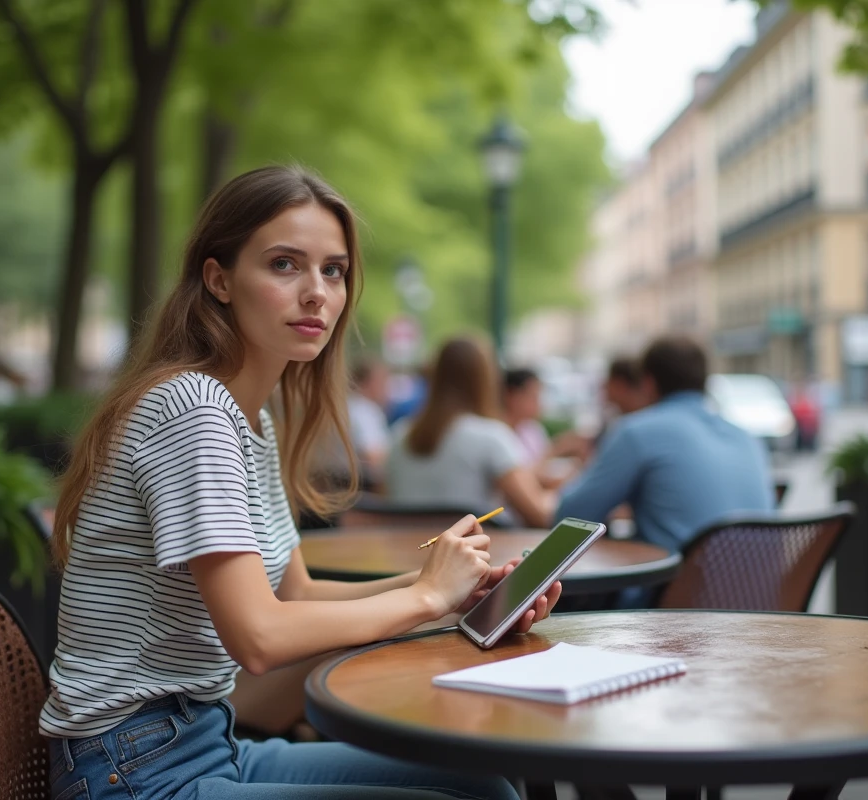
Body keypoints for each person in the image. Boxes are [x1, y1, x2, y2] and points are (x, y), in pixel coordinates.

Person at [43, 166, 556, 800]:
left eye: (333, 270)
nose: (316, 292)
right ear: (219, 279)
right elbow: (260, 638)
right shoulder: (192, 410)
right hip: (132, 769)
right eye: (285, 265)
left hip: (205, 744)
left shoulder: (249, 418)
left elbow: (297, 593)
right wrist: (422, 600)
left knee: (481, 786)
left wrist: (452, 594)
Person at [556, 335, 774, 560]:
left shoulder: (637, 432)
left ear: (648, 383)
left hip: (674, 591)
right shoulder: (748, 439)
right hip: (760, 590)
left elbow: (571, 518)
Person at [386, 337, 555, 528]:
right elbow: (538, 515)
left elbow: (386, 500)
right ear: (486, 380)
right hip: (474, 554)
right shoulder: (491, 436)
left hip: (405, 552)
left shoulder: (399, 434)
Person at [347, 357, 391, 489]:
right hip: (363, 491)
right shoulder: (364, 411)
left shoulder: (347, 406)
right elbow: (374, 458)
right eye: (382, 382)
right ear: (366, 383)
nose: (387, 389)